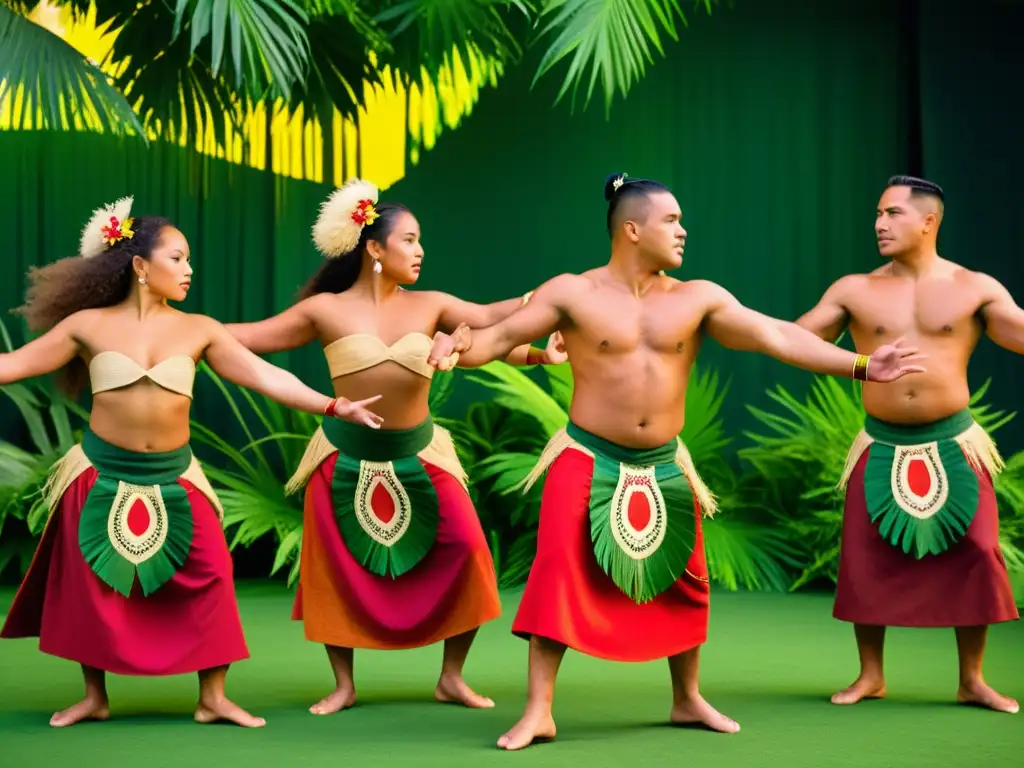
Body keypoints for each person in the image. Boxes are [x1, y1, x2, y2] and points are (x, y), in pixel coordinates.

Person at [425, 171, 927, 750]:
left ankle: (687, 697)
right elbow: (497, 339)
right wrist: (459, 347)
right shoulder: (571, 293)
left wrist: (864, 366)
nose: (684, 231)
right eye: (672, 221)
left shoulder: (699, 298)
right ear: (632, 229)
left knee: (688, 581)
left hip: (665, 462)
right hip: (586, 456)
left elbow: (778, 338)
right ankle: (539, 709)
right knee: (556, 572)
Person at [0, 196, 383, 728]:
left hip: (176, 476)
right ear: (139, 265)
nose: (189, 269)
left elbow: (265, 376)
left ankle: (214, 696)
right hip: (101, 471)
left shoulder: (198, 328)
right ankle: (94, 696)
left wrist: (333, 404)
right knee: (93, 584)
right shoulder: (85, 326)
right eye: (177, 258)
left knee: (210, 573)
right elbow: (12, 365)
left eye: (189, 259)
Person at [224, 178, 566, 715]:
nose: (420, 249)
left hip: (421, 455)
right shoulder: (325, 311)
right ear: (374, 248)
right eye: (409, 239)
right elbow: (248, 336)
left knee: (468, 551)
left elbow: (492, 320)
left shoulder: (432, 304)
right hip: (341, 460)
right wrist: (189, 332)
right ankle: (343, 684)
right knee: (334, 570)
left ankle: (451, 677)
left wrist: (543, 326)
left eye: (420, 239)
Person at [795, 175, 1020, 715]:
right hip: (880, 442)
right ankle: (871, 675)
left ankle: (972, 679)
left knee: (979, 549)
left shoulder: (975, 288)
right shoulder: (854, 290)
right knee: (866, 557)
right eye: (877, 213)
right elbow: (798, 339)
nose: (879, 223)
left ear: (928, 221)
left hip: (955, 441)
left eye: (892, 213)